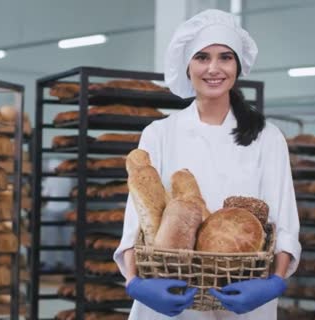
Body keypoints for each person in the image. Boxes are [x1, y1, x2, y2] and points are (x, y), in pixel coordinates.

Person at [113, 9, 301, 320]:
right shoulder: (159, 134)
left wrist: (275, 282)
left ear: (238, 66)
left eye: (225, 57)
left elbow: (284, 222)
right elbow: (138, 224)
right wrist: (134, 283)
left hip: (246, 299)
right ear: (187, 66)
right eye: (202, 57)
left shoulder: (267, 138)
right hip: (169, 298)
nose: (213, 68)